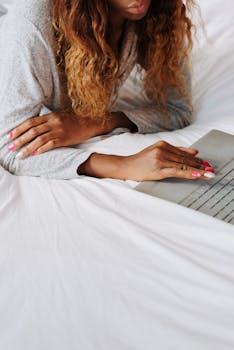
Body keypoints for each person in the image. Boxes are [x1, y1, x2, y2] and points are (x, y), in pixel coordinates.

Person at [0, 0, 215, 181]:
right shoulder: (33, 23)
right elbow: (9, 149)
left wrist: (95, 123)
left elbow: (177, 110)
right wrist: (124, 166)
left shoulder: (159, 11)